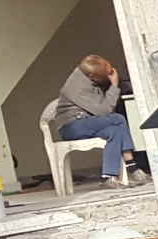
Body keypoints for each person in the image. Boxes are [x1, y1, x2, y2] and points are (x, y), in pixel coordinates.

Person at [53, 54, 139, 185]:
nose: (108, 77)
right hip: (72, 126)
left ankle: (108, 177)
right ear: (92, 76)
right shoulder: (77, 87)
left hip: (87, 122)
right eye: (105, 76)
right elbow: (105, 111)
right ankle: (131, 165)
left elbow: (102, 110)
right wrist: (114, 85)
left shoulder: (88, 78)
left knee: (114, 131)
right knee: (118, 118)